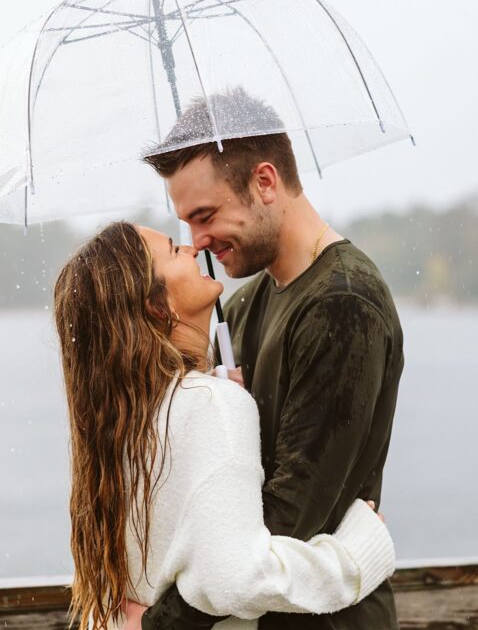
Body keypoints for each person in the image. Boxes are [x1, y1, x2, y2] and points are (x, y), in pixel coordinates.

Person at [136, 88, 405, 630]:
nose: (199, 241)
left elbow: (289, 519)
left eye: (206, 214)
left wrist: (156, 624)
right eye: (186, 223)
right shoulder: (241, 307)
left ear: (264, 182)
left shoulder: (342, 303)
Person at [53, 221, 396, 630]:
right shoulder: (211, 405)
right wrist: (354, 554)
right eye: (171, 251)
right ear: (156, 306)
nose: (190, 247)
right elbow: (236, 580)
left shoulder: (123, 424)